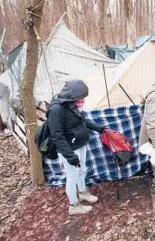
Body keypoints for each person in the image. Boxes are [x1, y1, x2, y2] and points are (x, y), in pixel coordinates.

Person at [48, 80, 105, 215]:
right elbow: (57, 136)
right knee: (72, 177)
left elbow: (83, 120)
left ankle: (83, 193)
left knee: (81, 171)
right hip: (69, 149)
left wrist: (99, 129)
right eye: (81, 97)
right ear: (72, 96)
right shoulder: (56, 110)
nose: (83, 100)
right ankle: (74, 205)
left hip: (80, 144)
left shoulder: (74, 106)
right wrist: (70, 156)